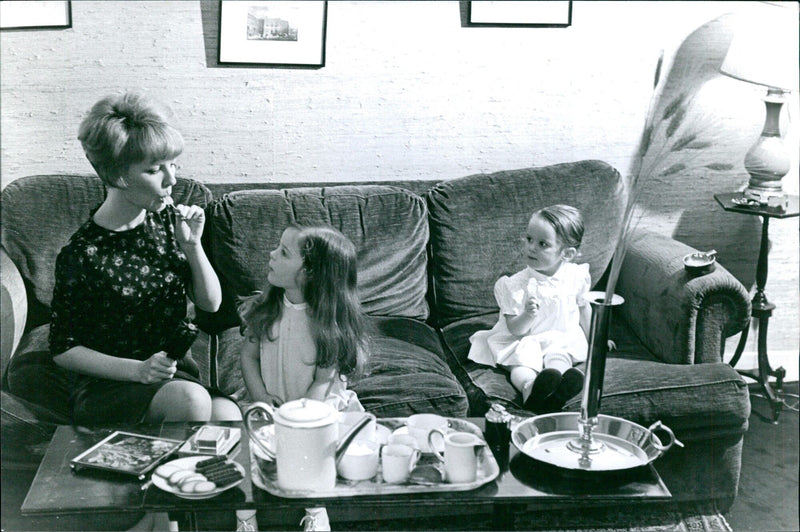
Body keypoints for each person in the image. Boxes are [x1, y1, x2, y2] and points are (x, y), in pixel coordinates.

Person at [7, 91, 242, 531]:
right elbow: (64, 349)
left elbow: (210, 304)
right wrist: (136, 371)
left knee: (230, 419)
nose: (172, 180)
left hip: (173, 374)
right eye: (155, 170)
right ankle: (158, 519)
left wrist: (193, 247)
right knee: (193, 402)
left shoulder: (168, 226)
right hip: (110, 383)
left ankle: (185, 520)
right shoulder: (83, 252)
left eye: (173, 164)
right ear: (117, 176)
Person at [238, 224, 370, 532]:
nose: (271, 254)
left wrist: (296, 423)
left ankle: (316, 510)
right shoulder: (266, 307)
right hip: (269, 402)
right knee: (244, 447)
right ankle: (244, 517)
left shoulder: (328, 323)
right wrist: (260, 398)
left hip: (316, 408)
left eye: (283, 252)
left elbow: (322, 382)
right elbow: (248, 356)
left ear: (310, 272)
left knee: (316, 453)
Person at [468, 204, 591, 414]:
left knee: (559, 357)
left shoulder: (576, 277)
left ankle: (557, 388)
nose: (531, 247)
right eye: (529, 239)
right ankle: (530, 389)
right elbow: (515, 329)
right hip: (524, 339)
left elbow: (583, 308)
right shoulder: (515, 285)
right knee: (522, 363)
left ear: (567, 254)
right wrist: (527, 315)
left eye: (543, 244)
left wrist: (595, 338)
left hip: (559, 338)